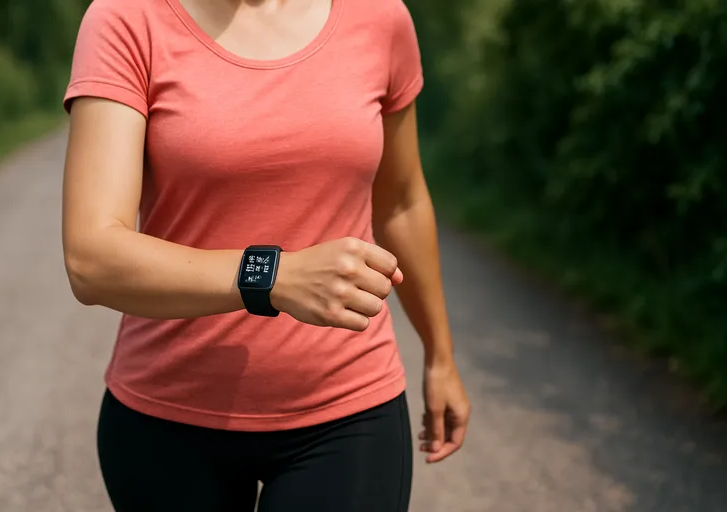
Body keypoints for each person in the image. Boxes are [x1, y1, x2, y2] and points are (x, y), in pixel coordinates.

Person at [61, 0, 470, 510]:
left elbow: (402, 202)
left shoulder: (380, 16)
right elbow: (91, 258)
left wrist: (440, 356)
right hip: (167, 421)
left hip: (347, 413)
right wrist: (273, 275)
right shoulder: (126, 18)